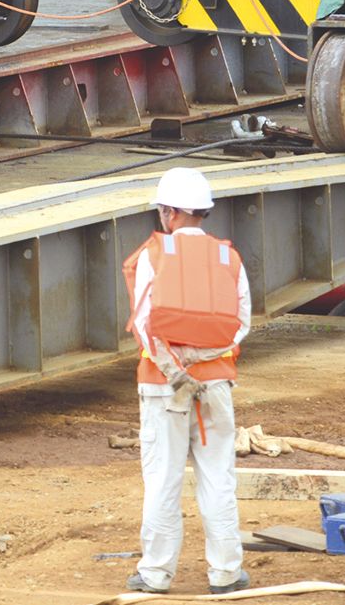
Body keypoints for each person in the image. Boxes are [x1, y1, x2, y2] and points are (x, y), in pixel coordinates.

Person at [123, 167, 253, 596]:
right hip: (215, 385)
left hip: (164, 387)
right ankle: (226, 574)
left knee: (163, 479)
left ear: (169, 213)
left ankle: (156, 574)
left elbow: (144, 325)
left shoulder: (152, 256)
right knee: (218, 477)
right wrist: (201, 362)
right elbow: (241, 325)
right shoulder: (228, 259)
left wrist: (178, 367)